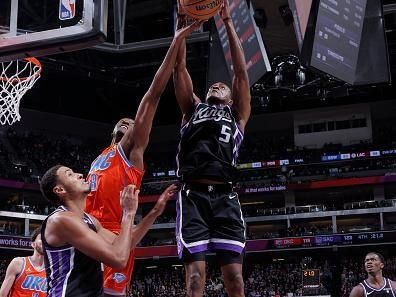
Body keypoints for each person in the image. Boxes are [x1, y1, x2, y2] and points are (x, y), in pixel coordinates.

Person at [84, 20, 202, 297]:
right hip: (89, 230)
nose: (128, 123)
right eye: (122, 121)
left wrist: (176, 42)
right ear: (113, 129)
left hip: (115, 235)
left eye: (131, 122)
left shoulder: (131, 150)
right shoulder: (101, 156)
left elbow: (152, 96)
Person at [173, 1, 251, 296]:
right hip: (192, 196)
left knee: (235, 280)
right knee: (195, 280)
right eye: (213, 85)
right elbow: (179, 67)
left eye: (223, 86)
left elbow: (241, 74)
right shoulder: (192, 108)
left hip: (226, 196)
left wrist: (228, 23)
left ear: (231, 99)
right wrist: (182, 26)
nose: (218, 85)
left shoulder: (237, 114)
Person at [39, 164, 178, 296]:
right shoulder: (60, 220)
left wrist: (155, 211)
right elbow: (118, 259)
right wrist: (128, 214)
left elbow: (125, 245)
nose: (80, 175)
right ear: (60, 190)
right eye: (70, 174)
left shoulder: (89, 220)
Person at [0, 227, 47, 297]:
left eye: (47, 239)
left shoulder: (53, 269)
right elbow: (3, 294)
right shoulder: (18, 263)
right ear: (33, 244)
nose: (45, 241)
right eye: (42, 238)